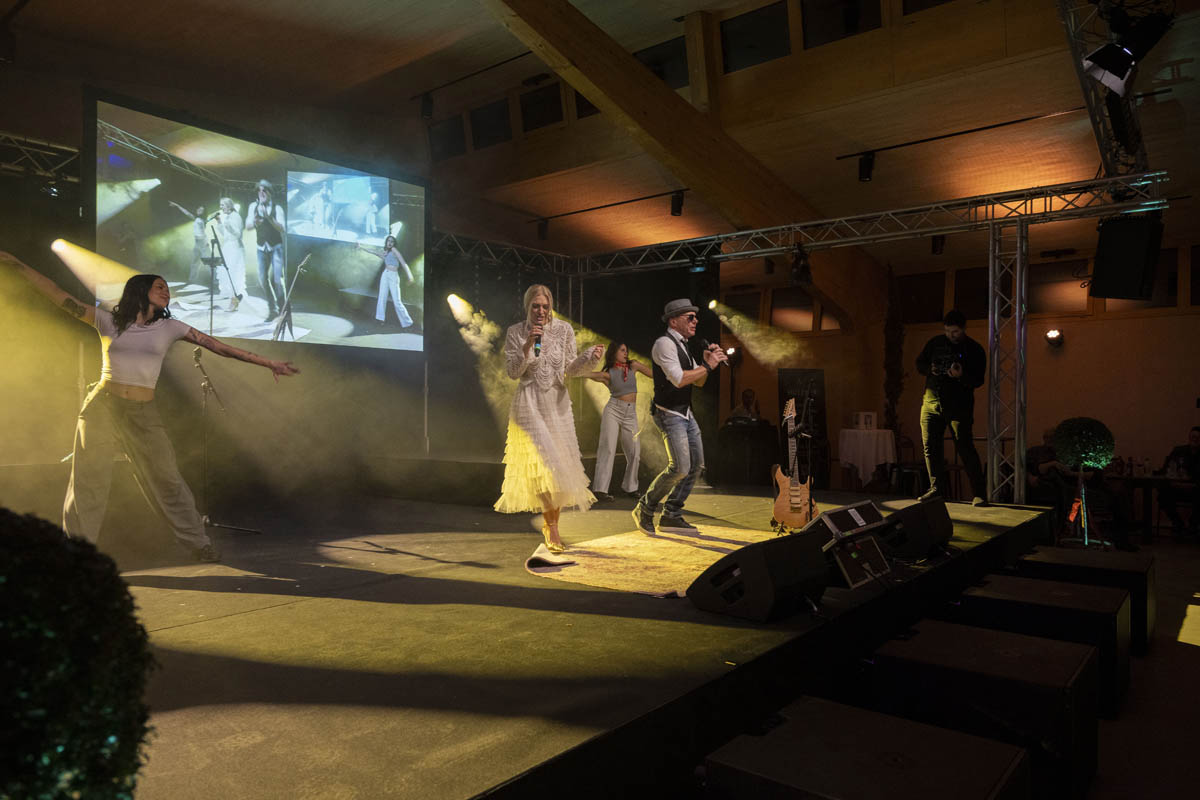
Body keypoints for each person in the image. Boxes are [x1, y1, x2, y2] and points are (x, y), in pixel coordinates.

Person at [1, 251, 300, 562]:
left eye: (167, 287)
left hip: (143, 413)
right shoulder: (106, 320)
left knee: (168, 479)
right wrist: (16, 263)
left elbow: (220, 347)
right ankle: (75, 553)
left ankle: (198, 543)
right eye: (160, 286)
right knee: (88, 481)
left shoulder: (171, 327)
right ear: (141, 290)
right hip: (103, 407)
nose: (166, 291)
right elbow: (57, 294)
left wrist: (268, 363)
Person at [494, 284, 604, 552]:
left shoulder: (564, 330)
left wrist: (589, 359)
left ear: (551, 306)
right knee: (542, 464)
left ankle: (551, 523)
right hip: (529, 403)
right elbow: (513, 372)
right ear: (527, 306)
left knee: (559, 467)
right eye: (535, 306)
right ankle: (552, 527)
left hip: (557, 404)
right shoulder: (515, 332)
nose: (540, 311)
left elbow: (570, 370)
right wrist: (528, 345)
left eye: (545, 306)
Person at [632, 298, 726, 535]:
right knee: (680, 468)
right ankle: (645, 507)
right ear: (673, 321)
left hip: (685, 412)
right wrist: (708, 366)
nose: (696, 321)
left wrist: (706, 362)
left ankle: (671, 515)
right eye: (690, 317)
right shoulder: (664, 344)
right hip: (668, 413)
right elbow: (679, 379)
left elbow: (699, 381)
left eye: (695, 317)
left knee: (696, 465)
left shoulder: (683, 346)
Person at [915, 309, 987, 506]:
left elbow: (978, 380)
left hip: (958, 406)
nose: (951, 335)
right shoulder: (935, 343)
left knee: (965, 447)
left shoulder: (974, 349)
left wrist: (961, 376)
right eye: (947, 331)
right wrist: (930, 369)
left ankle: (979, 493)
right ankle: (936, 489)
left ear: (963, 329)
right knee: (930, 447)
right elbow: (919, 363)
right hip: (931, 403)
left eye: (955, 331)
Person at [580, 341, 652, 502]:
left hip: (630, 413)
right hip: (613, 410)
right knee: (608, 448)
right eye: (622, 350)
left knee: (634, 452)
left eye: (626, 350)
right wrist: (585, 360)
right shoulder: (608, 374)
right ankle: (600, 490)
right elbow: (584, 373)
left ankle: (630, 487)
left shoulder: (633, 366)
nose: (626, 353)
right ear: (614, 353)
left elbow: (654, 374)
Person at [245, 179, 287, 321]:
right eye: (259, 190)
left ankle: (283, 310)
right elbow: (248, 226)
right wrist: (255, 223)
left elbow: (282, 228)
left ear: (270, 193)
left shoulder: (277, 208)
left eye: (264, 190)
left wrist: (269, 218)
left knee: (277, 280)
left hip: (276, 248)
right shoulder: (253, 206)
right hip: (261, 247)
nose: (261, 193)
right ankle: (273, 310)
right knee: (262, 280)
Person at [357, 235, 414, 328]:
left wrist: (410, 276)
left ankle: (408, 323)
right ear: (386, 242)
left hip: (393, 276)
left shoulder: (394, 250)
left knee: (397, 301)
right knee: (382, 297)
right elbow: (374, 252)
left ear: (394, 243)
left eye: (392, 241)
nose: (390, 243)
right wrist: (361, 247)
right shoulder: (385, 253)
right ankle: (380, 319)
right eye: (388, 241)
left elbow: (403, 262)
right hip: (385, 274)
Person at [1158, 426, 1200, 537]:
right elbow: (1166, 469)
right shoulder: (1178, 451)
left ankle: (1193, 525)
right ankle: (1178, 523)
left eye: (1198, 437)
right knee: (1162, 493)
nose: (1195, 439)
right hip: (1177, 488)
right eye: (1193, 437)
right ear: (1189, 437)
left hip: (1195, 490)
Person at [214, 197, 245, 312]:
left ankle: (234, 300)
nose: (221, 207)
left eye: (222, 205)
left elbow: (237, 234)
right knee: (227, 275)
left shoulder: (236, 217)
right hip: (228, 247)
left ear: (229, 205)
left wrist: (228, 226)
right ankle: (233, 299)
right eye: (220, 205)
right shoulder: (227, 217)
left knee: (233, 275)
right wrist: (219, 223)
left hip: (235, 248)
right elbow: (225, 235)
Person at [168, 201, 210, 287]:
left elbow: (203, 232)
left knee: (209, 263)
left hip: (203, 243)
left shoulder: (203, 220)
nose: (198, 210)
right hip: (197, 243)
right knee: (195, 262)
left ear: (204, 212)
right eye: (198, 209)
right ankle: (192, 280)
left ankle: (216, 281)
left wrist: (205, 243)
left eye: (201, 210)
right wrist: (177, 205)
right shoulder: (196, 218)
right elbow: (187, 213)